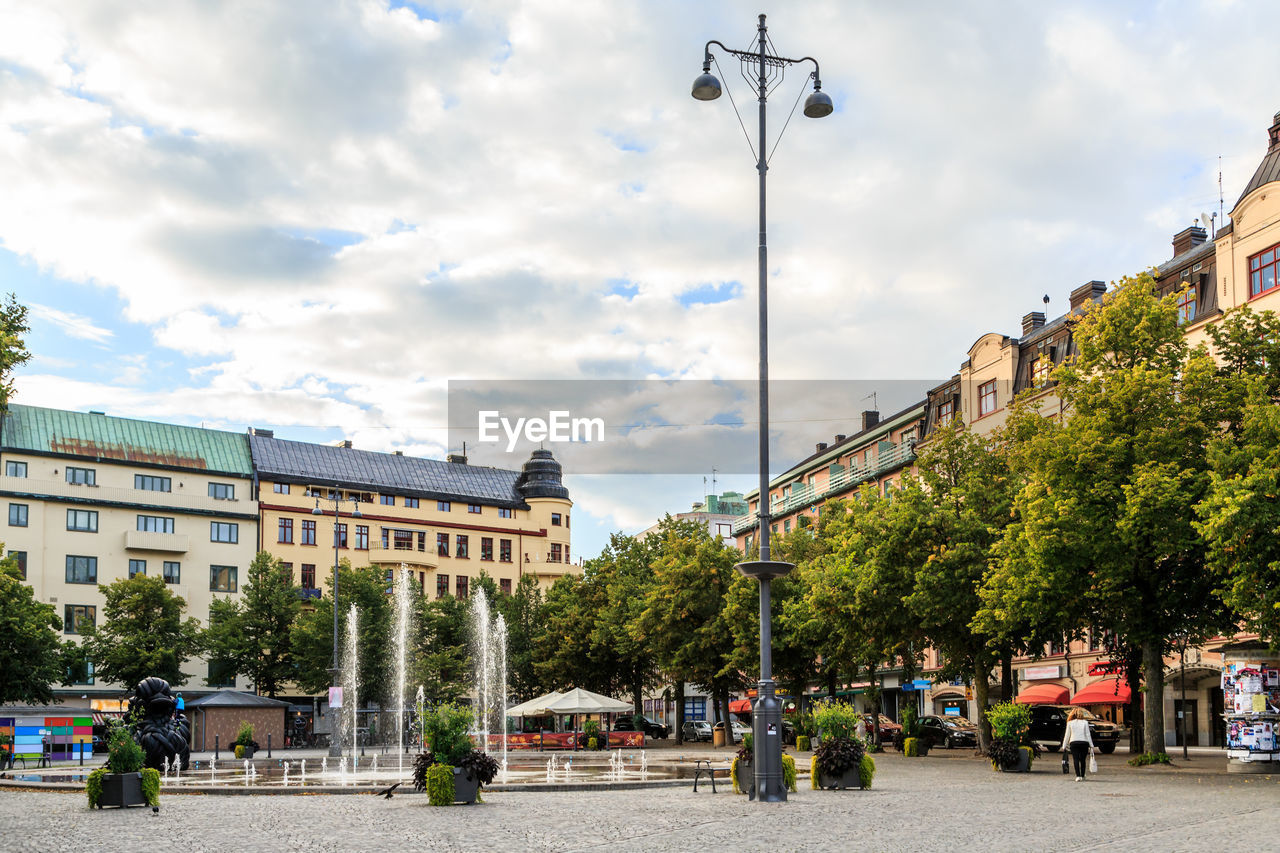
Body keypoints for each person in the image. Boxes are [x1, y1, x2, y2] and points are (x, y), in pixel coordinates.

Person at [1061, 707, 1096, 781]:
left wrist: (1064, 745)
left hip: (1074, 742)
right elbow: (1087, 734)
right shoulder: (1085, 722)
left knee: (1075, 759)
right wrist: (1091, 745)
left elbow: (1067, 735)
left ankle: (1078, 776)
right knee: (1083, 760)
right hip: (1084, 742)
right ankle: (1083, 775)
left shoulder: (1070, 723)